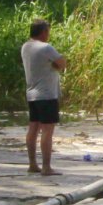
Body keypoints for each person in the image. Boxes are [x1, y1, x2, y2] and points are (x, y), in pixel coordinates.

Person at [20, 19, 66, 175]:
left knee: (33, 128)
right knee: (47, 130)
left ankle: (32, 164)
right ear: (43, 32)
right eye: (48, 31)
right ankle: (46, 167)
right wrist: (54, 65)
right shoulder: (46, 48)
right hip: (47, 94)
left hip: (32, 94)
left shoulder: (26, 47)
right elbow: (62, 63)